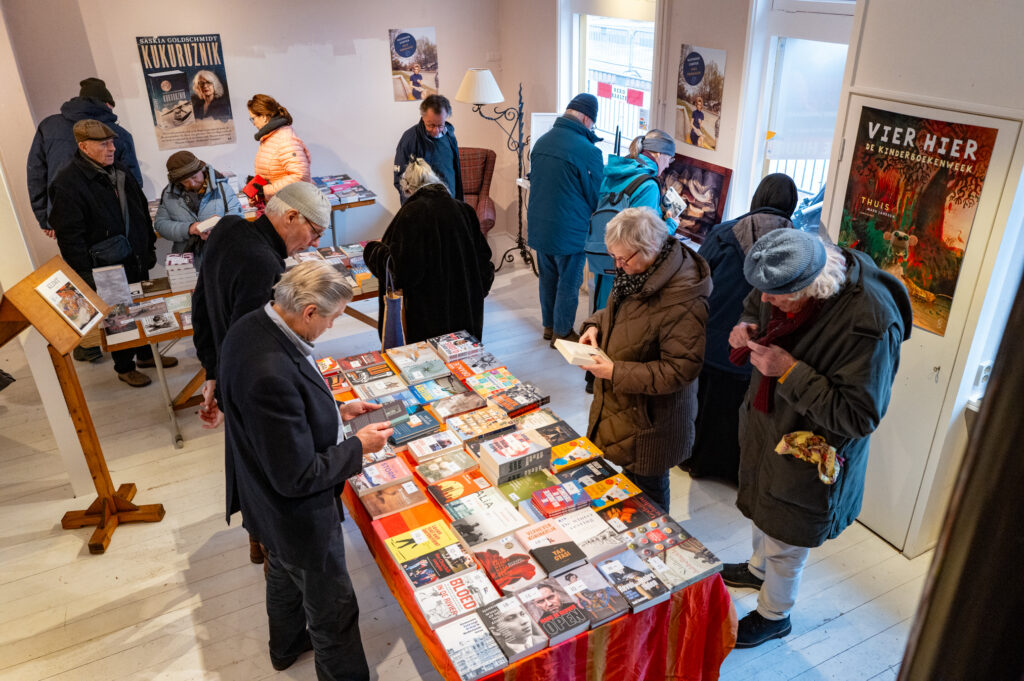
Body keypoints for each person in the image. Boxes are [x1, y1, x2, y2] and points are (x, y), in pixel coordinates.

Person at [720, 228, 911, 649]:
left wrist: (788, 370)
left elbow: (859, 416)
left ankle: (775, 615)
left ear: (811, 288)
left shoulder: (870, 323)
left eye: (776, 296)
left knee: (786, 534)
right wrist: (745, 325)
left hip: (810, 449)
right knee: (763, 508)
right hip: (769, 424)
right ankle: (757, 568)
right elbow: (758, 302)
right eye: (764, 291)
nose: (767, 301)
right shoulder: (792, 276)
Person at [219, 260, 393, 679]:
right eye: (332, 318)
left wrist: (337, 411)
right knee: (333, 614)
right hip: (295, 514)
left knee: (281, 571)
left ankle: (285, 647)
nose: (332, 327)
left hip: (263, 502)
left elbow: (280, 419)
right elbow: (297, 476)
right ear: (310, 311)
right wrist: (358, 446)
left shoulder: (250, 326)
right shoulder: (270, 373)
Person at [578, 207, 710, 512]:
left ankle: (655, 555)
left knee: (648, 498)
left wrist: (615, 371)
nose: (619, 266)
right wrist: (594, 325)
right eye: (614, 258)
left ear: (650, 247)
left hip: (652, 421)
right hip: (625, 408)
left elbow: (680, 369)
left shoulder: (683, 297)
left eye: (624, 259)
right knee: (625, 489)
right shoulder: (638, 271)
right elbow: (621, 312)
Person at [684, 173, 798, 482]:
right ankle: (737, 472)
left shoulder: (723, 233)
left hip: (715, 336)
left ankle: (696, 463)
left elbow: (697, 280)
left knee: (706, 405)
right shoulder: (799, 246)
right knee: (743, 412)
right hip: (764, 346)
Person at [47, 119, 170, 389]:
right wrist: (86, 273)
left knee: (141, 306)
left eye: (112, 142)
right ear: (84, 146)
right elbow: (69, 236)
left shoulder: (119, 171)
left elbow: (138, 211)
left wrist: (148, 245)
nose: (112, 148)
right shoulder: (68, 183)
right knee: (119, 317)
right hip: (105, 266)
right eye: (104, 144)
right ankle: (124, 366)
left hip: (134, 256)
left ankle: (146, 354)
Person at [364, 158, 494, 343]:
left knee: (429, 367)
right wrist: (477, 292)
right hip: (466, 314)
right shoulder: (465, 210)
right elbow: (485, 263)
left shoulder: (410, 215)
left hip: (426, 320)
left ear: (408, 190)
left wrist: (372, 250)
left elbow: (400, 271)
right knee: (463, 365)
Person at [526, 93, 603, 345]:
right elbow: (595, 196)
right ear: (585, 118)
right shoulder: (589, 151)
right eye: (592, 123)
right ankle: (562, 332)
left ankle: (549, 326)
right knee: (569, 282)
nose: (592, 128)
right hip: (570, 229)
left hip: (539, 224)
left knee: (547, 278)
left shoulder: (542, 141)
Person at [28, 77, 143, 241]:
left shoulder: (48, 127)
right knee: (114, 264)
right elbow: (134, 183)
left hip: (63, 217)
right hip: (107, 222)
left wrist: (46, 219)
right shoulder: (119, 134)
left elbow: (36, 177)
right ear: (107, 104)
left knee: (76, 263)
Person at [591, 128, 681, 313]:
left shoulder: (615, 172)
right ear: (658, 154)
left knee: (601, 312)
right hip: (627, 263)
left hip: (602, 252)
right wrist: (671, 224)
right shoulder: (648, 185)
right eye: (669, 158)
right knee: (619, 316)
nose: (668, 165)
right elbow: (648, 238)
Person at [154, 151, 243, 264]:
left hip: (222, 257)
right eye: (185, 181)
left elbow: (238, 217)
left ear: (202, 169)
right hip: (187, 263)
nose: (192, 183)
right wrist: (189, 229)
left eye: (194, 177)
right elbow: (160, 224)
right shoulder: (169, 194)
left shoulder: (222, 188)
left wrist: (219, 227)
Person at [393, 94, 463, 203]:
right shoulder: (410, 138)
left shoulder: (450, 135)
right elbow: (400, 178)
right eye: (430, 125)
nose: (436, 130)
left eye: (440, 125)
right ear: (423, 117)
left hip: (450, 203)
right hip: (422, 208)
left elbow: (455, 170)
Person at [248, 94, 311, 199]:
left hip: (290, 206)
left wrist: (265, 191)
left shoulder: (285, 139)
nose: (253, 123)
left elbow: (300, 177)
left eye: (253, 119)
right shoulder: (269, 138)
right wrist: (256, 192)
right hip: (278, 204)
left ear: (263, 117)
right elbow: (272, 173)